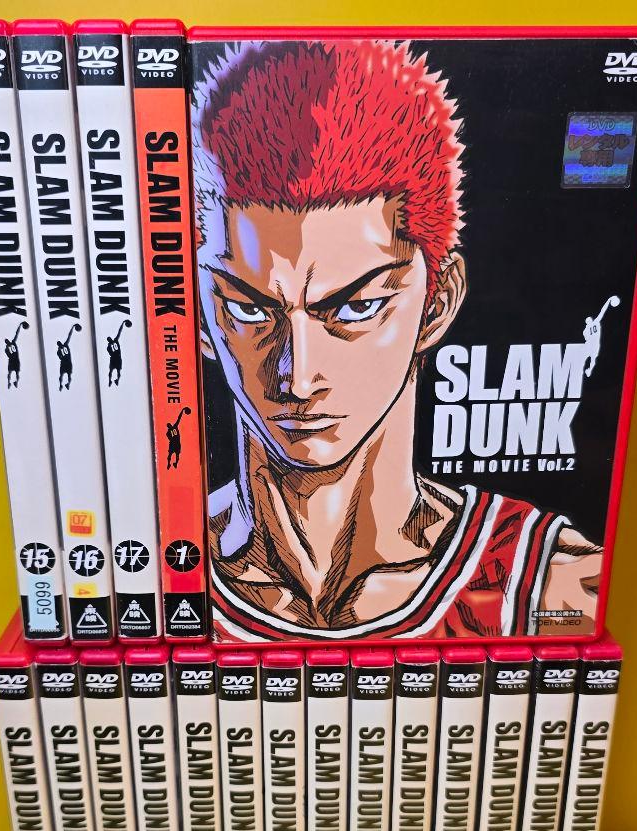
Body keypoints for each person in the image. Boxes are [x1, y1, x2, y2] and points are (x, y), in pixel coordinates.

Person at [193, 40, 602, 641]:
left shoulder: (550, 584)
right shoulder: (148, 570)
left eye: (356, 307)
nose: (298, 377)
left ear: (437, 301)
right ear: (198, 315)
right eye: (250, 310)